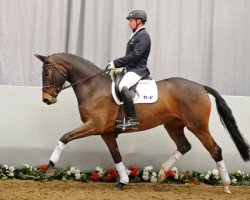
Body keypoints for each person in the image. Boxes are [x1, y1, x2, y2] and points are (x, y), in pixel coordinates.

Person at [108, 10, 151, 130]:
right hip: (130, 69)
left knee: (123, 86)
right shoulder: (136, 34)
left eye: (131, 21)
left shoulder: (143, 36)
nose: (129, 23)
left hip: (138, 70)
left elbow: (135, 55)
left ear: (139, 21)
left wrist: (115, 63)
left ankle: (132, 120)